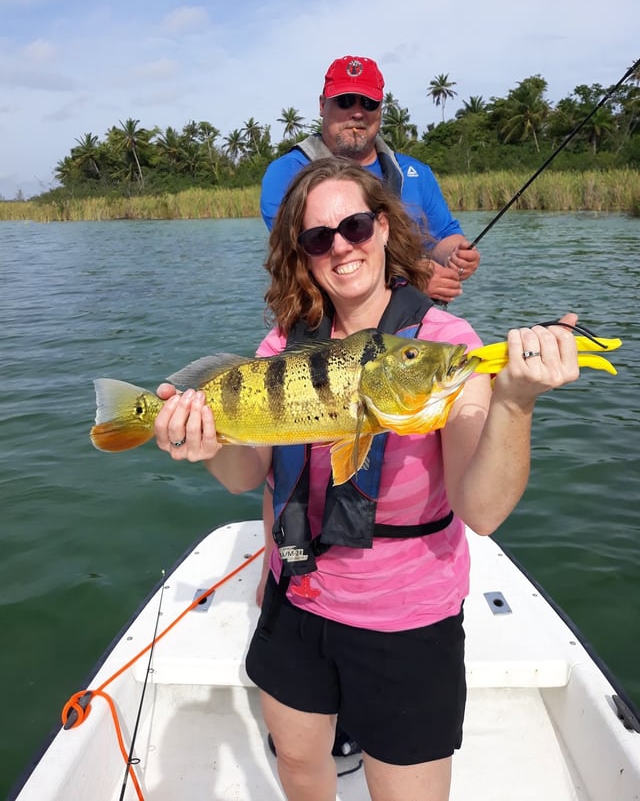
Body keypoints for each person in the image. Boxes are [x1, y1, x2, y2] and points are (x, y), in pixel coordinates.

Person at [154, 157, 580, 801]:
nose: (340, 247)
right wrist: (204, 443)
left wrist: (514, 404)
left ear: (382, 227)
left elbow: (483, 511)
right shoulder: (285, 346)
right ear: (302, 253)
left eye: (353, 225)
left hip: (405, 616)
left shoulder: (442, 346)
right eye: (317, 237)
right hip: (294, 594)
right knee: (298, 763)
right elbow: (247, 474)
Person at [261, 53, 481, 306]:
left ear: (380, 109)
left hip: (411, 323)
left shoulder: (415, 172)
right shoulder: (286, 174)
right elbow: (307, 254)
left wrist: (457, 254)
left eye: (368, 103)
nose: (357, 113)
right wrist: (411, 277)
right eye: (344, 101)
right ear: (322, 105)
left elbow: (444, 235)